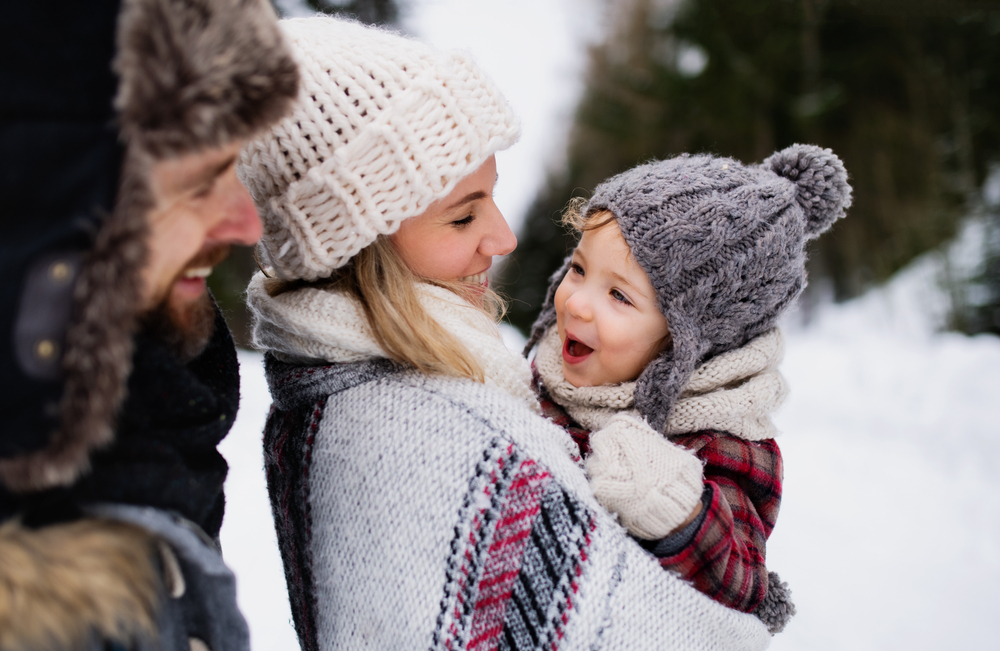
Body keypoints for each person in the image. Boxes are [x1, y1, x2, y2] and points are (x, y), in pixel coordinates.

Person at [242, 16, 773, 650]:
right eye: (463, 216)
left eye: (491, 198)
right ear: (360, 244)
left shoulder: (336, 391)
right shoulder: (444, 436)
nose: (504, 238)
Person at [0, 0, 298, 649]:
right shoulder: (40, 607)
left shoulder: (158, 424)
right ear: (51, 213)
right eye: (201, 181)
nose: (248, 224)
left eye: (236, 168)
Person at [523, 146, 853, 634]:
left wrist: (674, 507)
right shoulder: (545, 376)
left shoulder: (723, 443)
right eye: (578, 269)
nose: (577, 304)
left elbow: (741, 585)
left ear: (690, 340)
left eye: (619, 295)